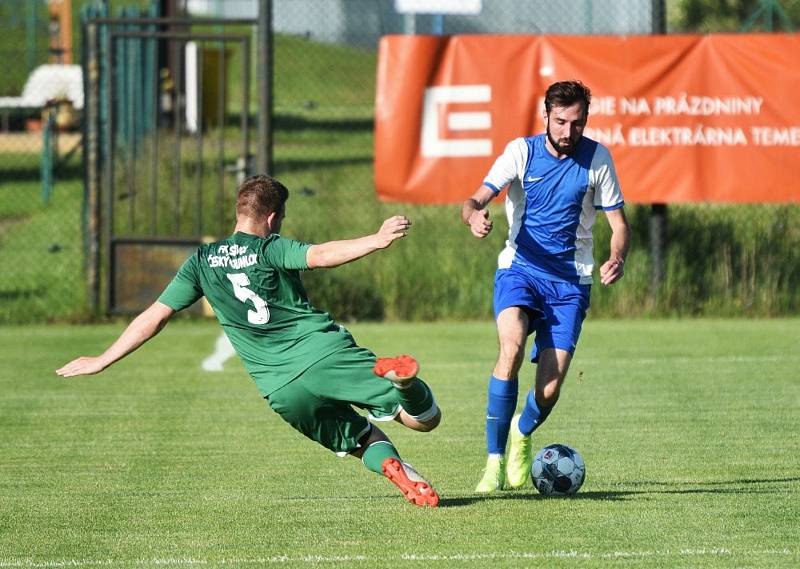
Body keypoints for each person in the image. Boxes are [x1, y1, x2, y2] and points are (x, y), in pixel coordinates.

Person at [57, 174, 442, 508]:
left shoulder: (201, 261)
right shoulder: (270, 247)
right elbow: (321, 255)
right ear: (272, 217)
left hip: (280, 388)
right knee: (424, 420)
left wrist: (102, 359)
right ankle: (403, 383)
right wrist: (375, 239)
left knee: (361, 438)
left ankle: (401, 474)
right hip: (322, 355)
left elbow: (155, 316)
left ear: (240, 211)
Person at [462, 80, 631, 493]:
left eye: (577, 123)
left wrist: (617, 257)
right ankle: (494, 462)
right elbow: (474, 199)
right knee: (512, 348)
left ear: (585, 120)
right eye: (560, 122)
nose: (568, 132)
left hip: (571, 283)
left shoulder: (598, 159)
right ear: (546, 116)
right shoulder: (521, 151)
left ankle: (522, 432)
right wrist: (474, 217)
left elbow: (619, 225)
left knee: (550, 389)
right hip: (519, 271)